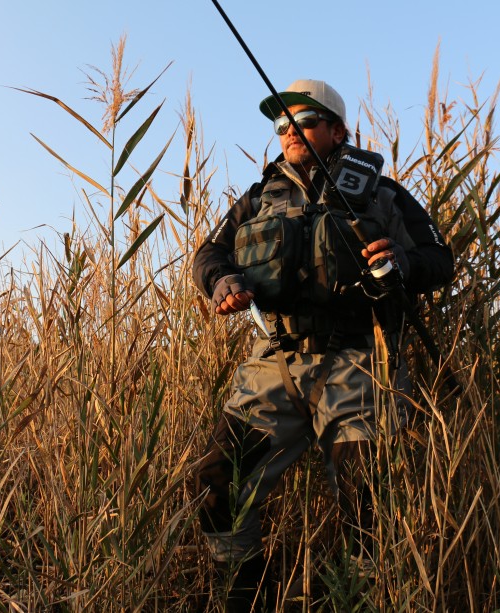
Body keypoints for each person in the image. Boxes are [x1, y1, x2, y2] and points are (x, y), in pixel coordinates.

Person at [191, 79, 453, 611]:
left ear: (336, 130)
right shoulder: (258, 197)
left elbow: (439, 259)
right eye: (281, 124)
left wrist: (401, 263)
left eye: (304, 121)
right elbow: (209, 255)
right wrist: (222, 281)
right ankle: (249, 595)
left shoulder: (383, 194)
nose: (289, 131)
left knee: (369, 504)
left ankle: (362, 598)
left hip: (361, 363)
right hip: (275, 364)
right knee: (216, 481)